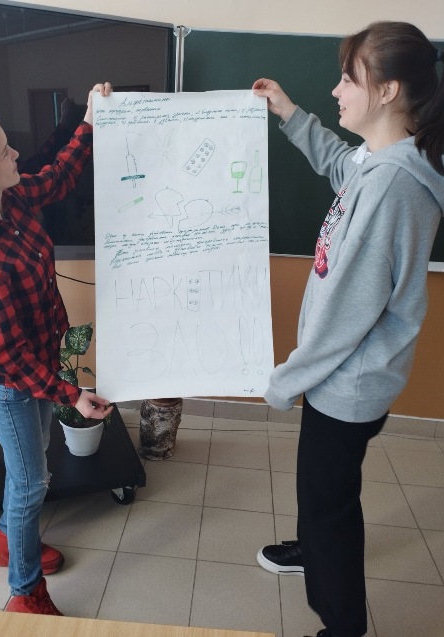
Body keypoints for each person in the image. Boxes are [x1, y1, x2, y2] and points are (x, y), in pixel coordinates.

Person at [252, 21, 444, 637]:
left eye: (348, 80)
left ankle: (342, 626)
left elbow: (345, 313)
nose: (337, 91)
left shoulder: (393, 186)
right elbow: (341, 164)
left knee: (329, 504)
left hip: (347, 380)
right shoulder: (382, 162)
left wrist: (285, 381)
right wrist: (289, 112)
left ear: (386, 91)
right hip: (344, 376)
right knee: (323, 490)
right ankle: (312, 549)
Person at [0, 82, 113, 616]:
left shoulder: (13, 196)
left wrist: (89, 120)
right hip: (9, 383)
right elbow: (8, 356)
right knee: (30, 482)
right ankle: (25, 594)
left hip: (40, 367)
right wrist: (71, 393)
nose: (16, 154)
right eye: (5, 150)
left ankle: (8, 541)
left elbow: (60, 175)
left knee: (33, 466)